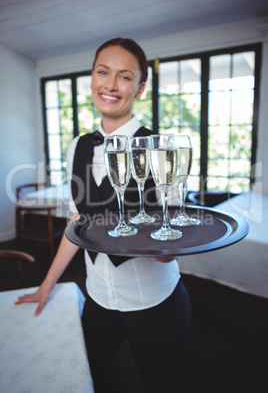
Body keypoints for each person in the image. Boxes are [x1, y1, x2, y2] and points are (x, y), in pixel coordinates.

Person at [15, 38, 191, 393]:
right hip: (97, 296)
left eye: (124, 77)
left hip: (154, 301)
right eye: (103, 72)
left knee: (160, 384)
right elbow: (76, 222)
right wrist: (46, 285)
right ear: (92, 78)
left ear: (140, 89)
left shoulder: (161, 149)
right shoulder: (77, 145)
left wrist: (166, 239)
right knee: (92, 371)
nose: (110, 84)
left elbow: (170, 247)